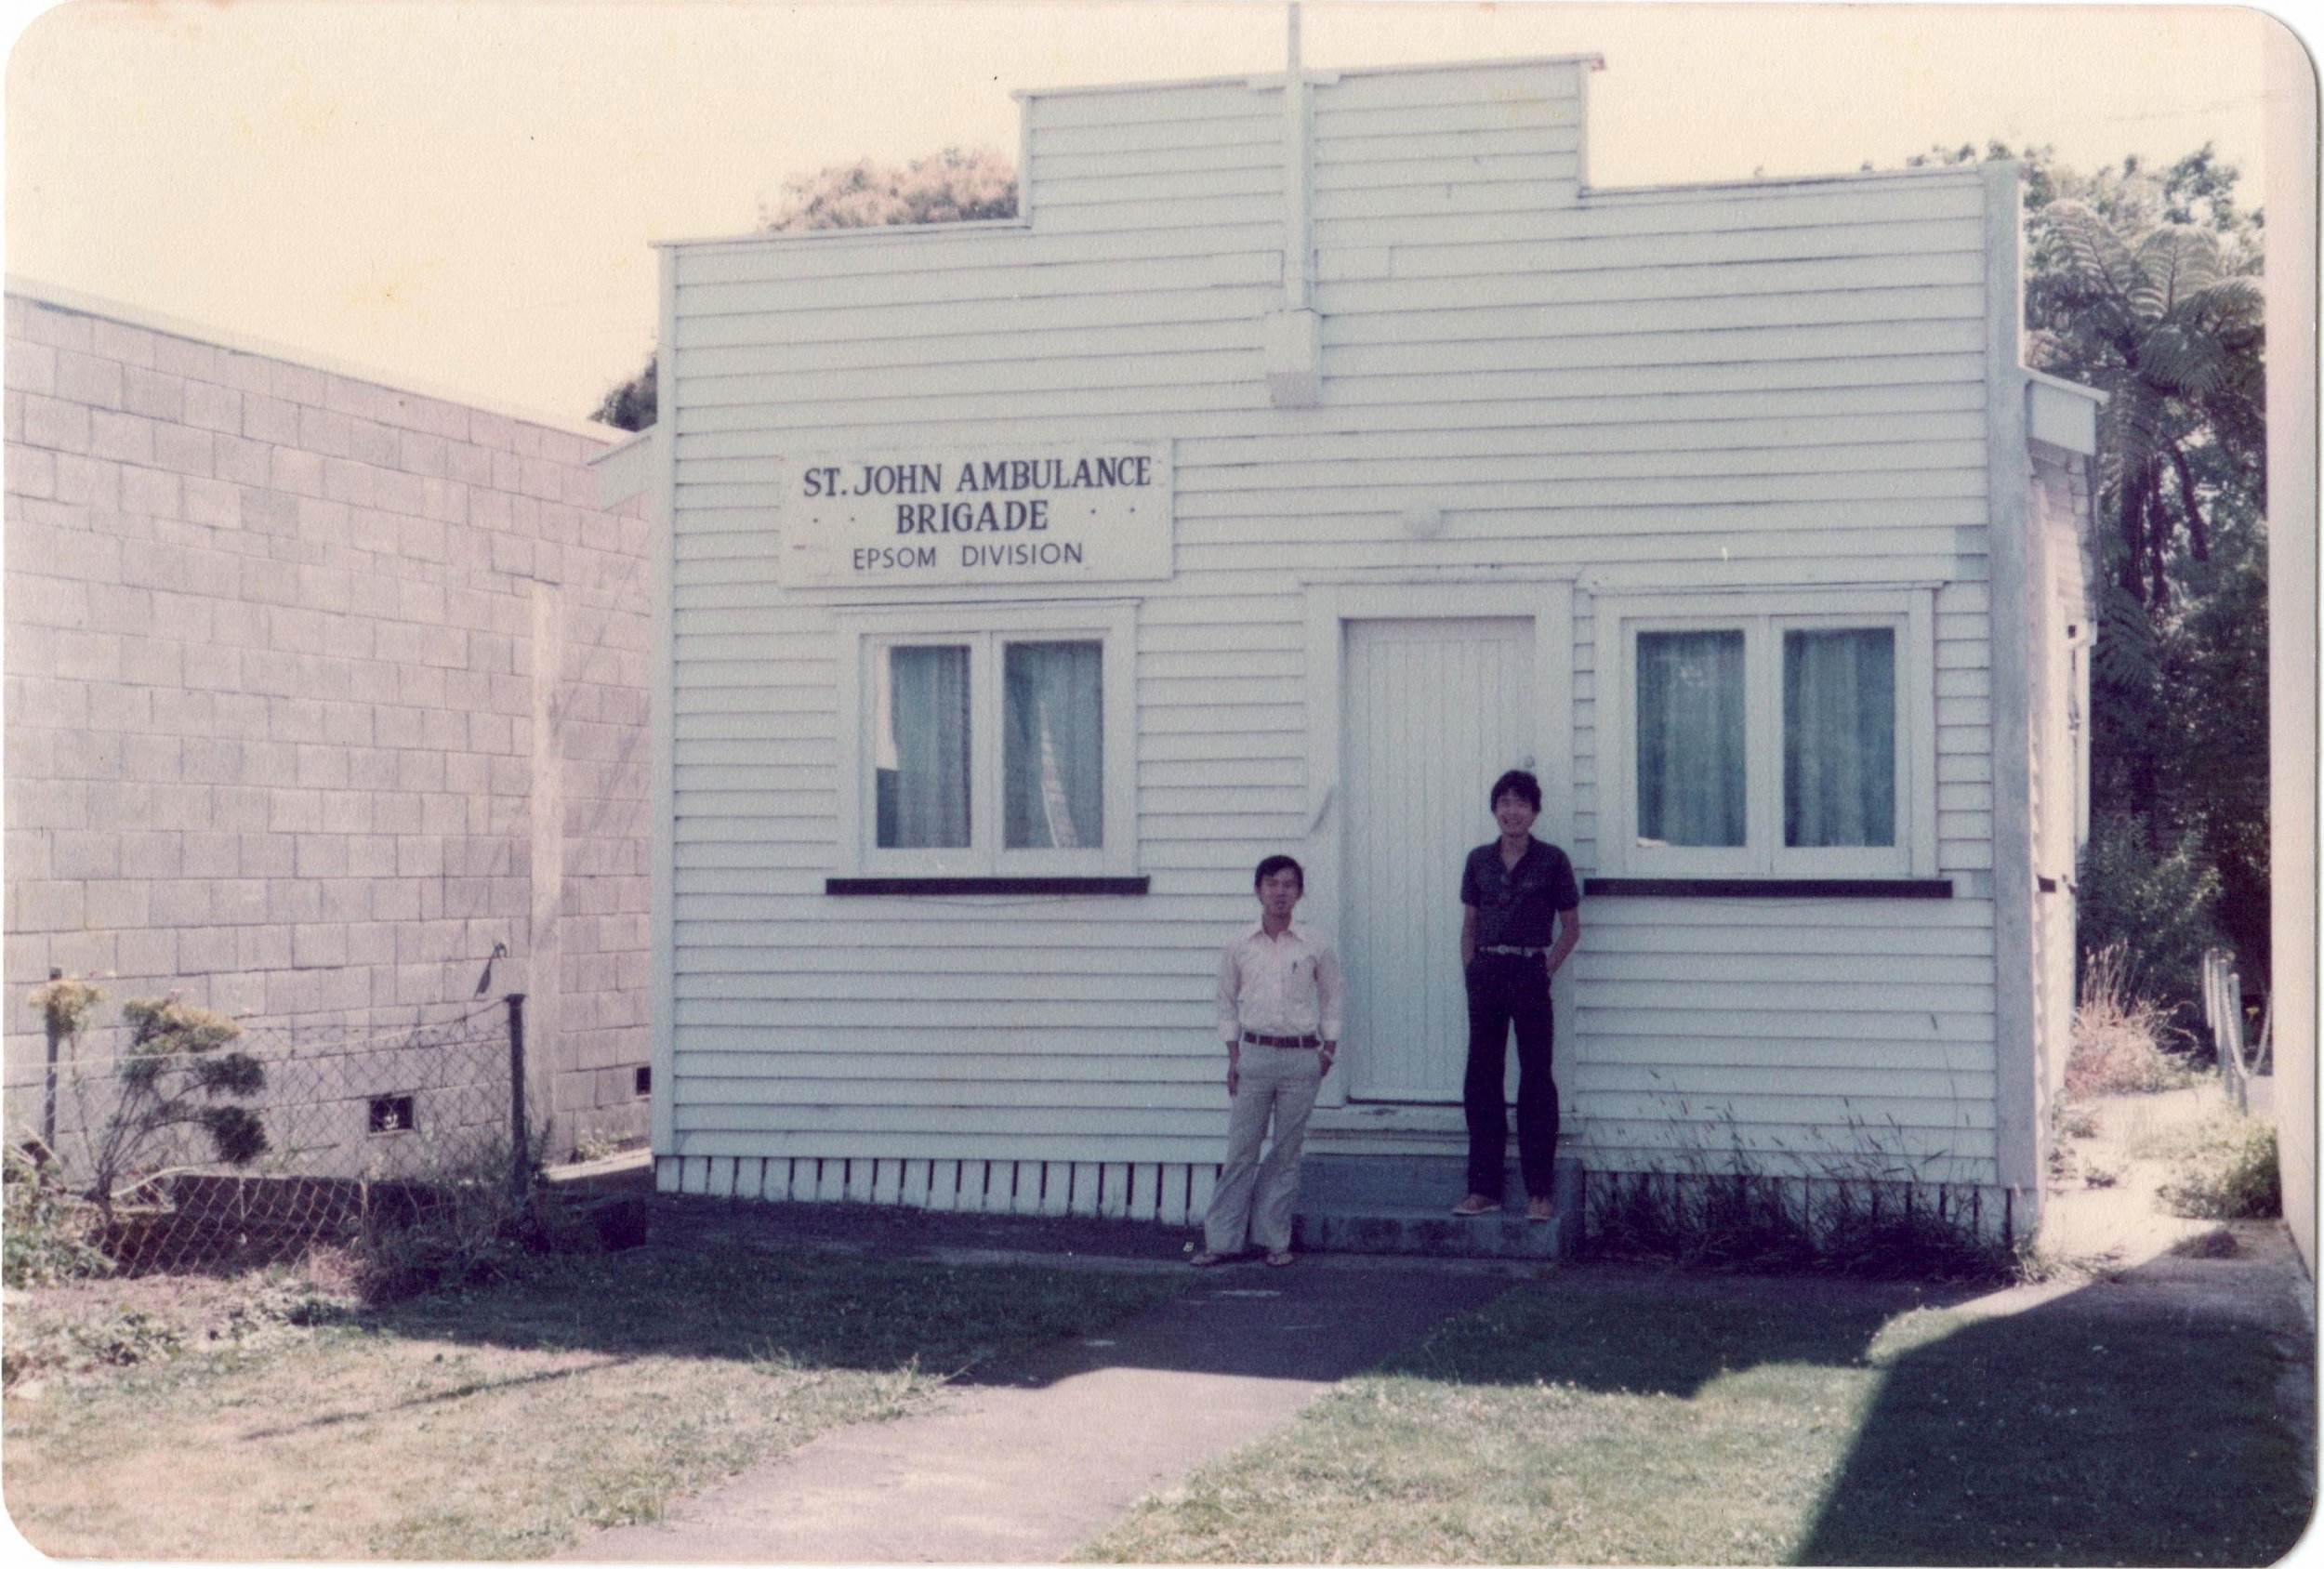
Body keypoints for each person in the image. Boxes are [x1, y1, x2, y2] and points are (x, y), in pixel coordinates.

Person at [1194, 853, 1343, 1268]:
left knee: (1285, 1153)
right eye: (1272, 883)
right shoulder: (1239, 945)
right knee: (1242, 1150)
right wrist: (1233, 1052)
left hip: (1301, 1059)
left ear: (1300, 892)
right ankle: (1221, 1241)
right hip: (1254, 1056)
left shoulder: (1316, 944)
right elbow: (1225, 1002)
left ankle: (1274, 1241)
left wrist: (1328, 1049)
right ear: (1258, 889)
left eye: (1289, 884)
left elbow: (1332, 996)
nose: (1281, 892)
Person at [1453, 770, 1581, 1221]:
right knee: (1482, 1078)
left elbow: (1571, 928)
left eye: (1521, 803)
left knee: (1536, 1080)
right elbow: (1469, 924)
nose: (1513, 811)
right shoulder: (1478, 861)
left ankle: (1540, 1191)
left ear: (1535, 810)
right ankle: (1483, 1189)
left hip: (1529, 973)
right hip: (1487, 973)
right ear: (1495, 810)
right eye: (1504, 802)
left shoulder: (1552, 861)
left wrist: (1542, 969)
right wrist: (1472, 968)